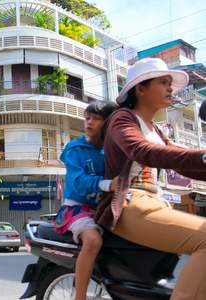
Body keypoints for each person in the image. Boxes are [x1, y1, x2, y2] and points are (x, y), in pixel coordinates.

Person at [94, 57, 206, 300]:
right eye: (163, 82)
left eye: (170, 83)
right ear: (141, 89)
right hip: (129, 204)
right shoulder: (122, 119)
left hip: (155, 203)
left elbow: (182, 160)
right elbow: (142, 151)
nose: (170, 88)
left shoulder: (155, 129)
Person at [55, 101, 118, 300]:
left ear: (108, 123)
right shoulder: (75, 148)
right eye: (87, 118)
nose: (89, 122)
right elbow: (77, 181)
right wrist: (108, 184)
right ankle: (79, 296)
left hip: (103, 208)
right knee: (92, 240)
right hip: (76, 208)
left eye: (96, 119)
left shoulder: (111, 149)